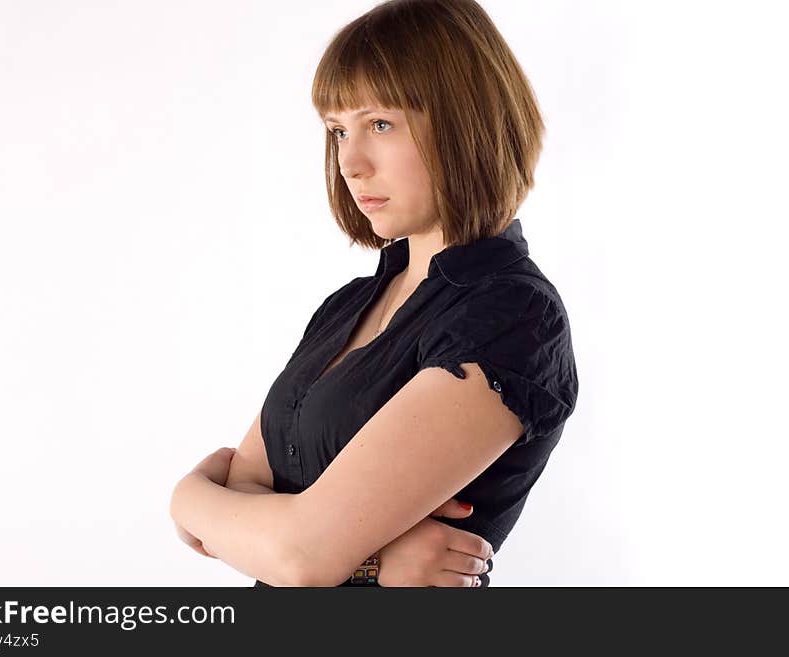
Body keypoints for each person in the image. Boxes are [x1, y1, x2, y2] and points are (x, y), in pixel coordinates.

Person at [169, 0, 578, 587]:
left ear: (469, 124)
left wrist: (200, 504)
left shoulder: (512, 315)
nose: (351, 163)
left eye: (380, 124)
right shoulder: (347, 306)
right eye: (338, 131)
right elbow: (249, 493)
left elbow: (299, 556)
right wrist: (193, 500)